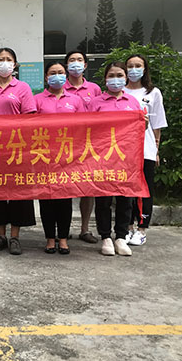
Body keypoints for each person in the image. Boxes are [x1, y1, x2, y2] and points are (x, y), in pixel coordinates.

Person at [0, 47, 37, 255]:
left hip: (17, 148)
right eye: (1, 59)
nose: (4, 62)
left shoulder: (22, 87)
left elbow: (30, 118)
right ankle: (0, 235)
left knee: (17, 193)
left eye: (8, 59)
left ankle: (15, 237)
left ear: (15, 64)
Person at [88, 61, 145, 256]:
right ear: (105, 79)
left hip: (126, 159)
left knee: (125, 198)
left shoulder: (132, 102)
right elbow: (86, 130)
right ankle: (105, 237)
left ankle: (121, 236)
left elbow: (139, 130)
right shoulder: (95, 103)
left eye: (119, 75)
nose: (115, 79)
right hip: (102, 158)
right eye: (111, 75)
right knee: (103, 199)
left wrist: (144, 124)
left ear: (126, 78)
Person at [34, 62, 86, 255]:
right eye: (53, 73)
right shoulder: (37, 99)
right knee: (46, 198)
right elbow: (31, 126)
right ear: (46, 77)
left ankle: (63, 238)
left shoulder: (75, 100)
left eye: (61, 72)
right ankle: (49, 238)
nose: (57, 76)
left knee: (65, 199)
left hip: (67, 156)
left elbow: (83, 126)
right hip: (44, 155)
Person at [124, 54, 167, 246]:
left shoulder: (153, 93)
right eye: (130, 66)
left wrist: (156, 149)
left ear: (144, 69)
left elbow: (157, 124)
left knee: (144, 190)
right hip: (122, 151)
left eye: (138, 65)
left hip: (145, 149)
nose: (133, 69)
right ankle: (127, 227)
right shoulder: (120, 92)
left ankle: (141, 229)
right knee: (125, 191)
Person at [63, 50, 102, 244]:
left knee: (88, 187)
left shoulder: (94, 89)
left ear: (85, 65)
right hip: (65, 145)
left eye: (79, 60)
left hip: (88, 146)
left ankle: (85, 229)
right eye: (72, 60)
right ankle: (65, 228)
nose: (75, 63)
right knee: (64, 186)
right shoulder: (59, 86)